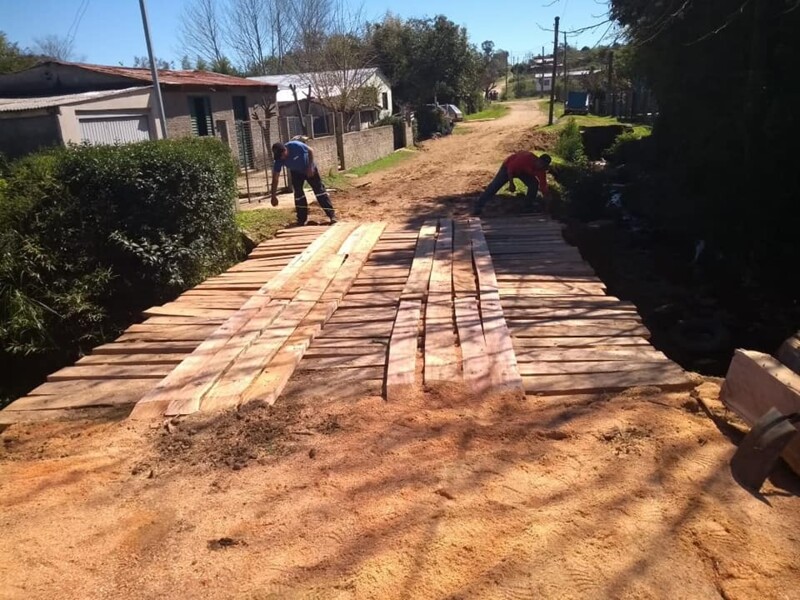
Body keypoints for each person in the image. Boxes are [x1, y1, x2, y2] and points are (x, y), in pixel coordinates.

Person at [270, 140, 337, 226]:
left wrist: (310, 166)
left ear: (285, 150)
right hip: (296, 173)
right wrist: (273, 196)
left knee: (319, 192)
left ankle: (332, 215)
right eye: (279, 157)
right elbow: (275, 178)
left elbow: (310, 151)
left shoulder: (295, 145)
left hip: (309, 168)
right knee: (298, 195)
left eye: (282, 155)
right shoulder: (279, 160)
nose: (282, 158)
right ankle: (301, 219)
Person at [472, 151, 552, 216]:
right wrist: (511, 184)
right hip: (508, 167)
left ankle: (528, 206)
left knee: (534, 184)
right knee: (495, 186)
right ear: (538, 160)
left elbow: (543, 186)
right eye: (541, 164)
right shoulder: (526, 159)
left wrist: (547, 199)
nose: (541, 167)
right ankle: (478, 206)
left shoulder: (541, 171)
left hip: (523, 172)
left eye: (544, 166)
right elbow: (511, 168)